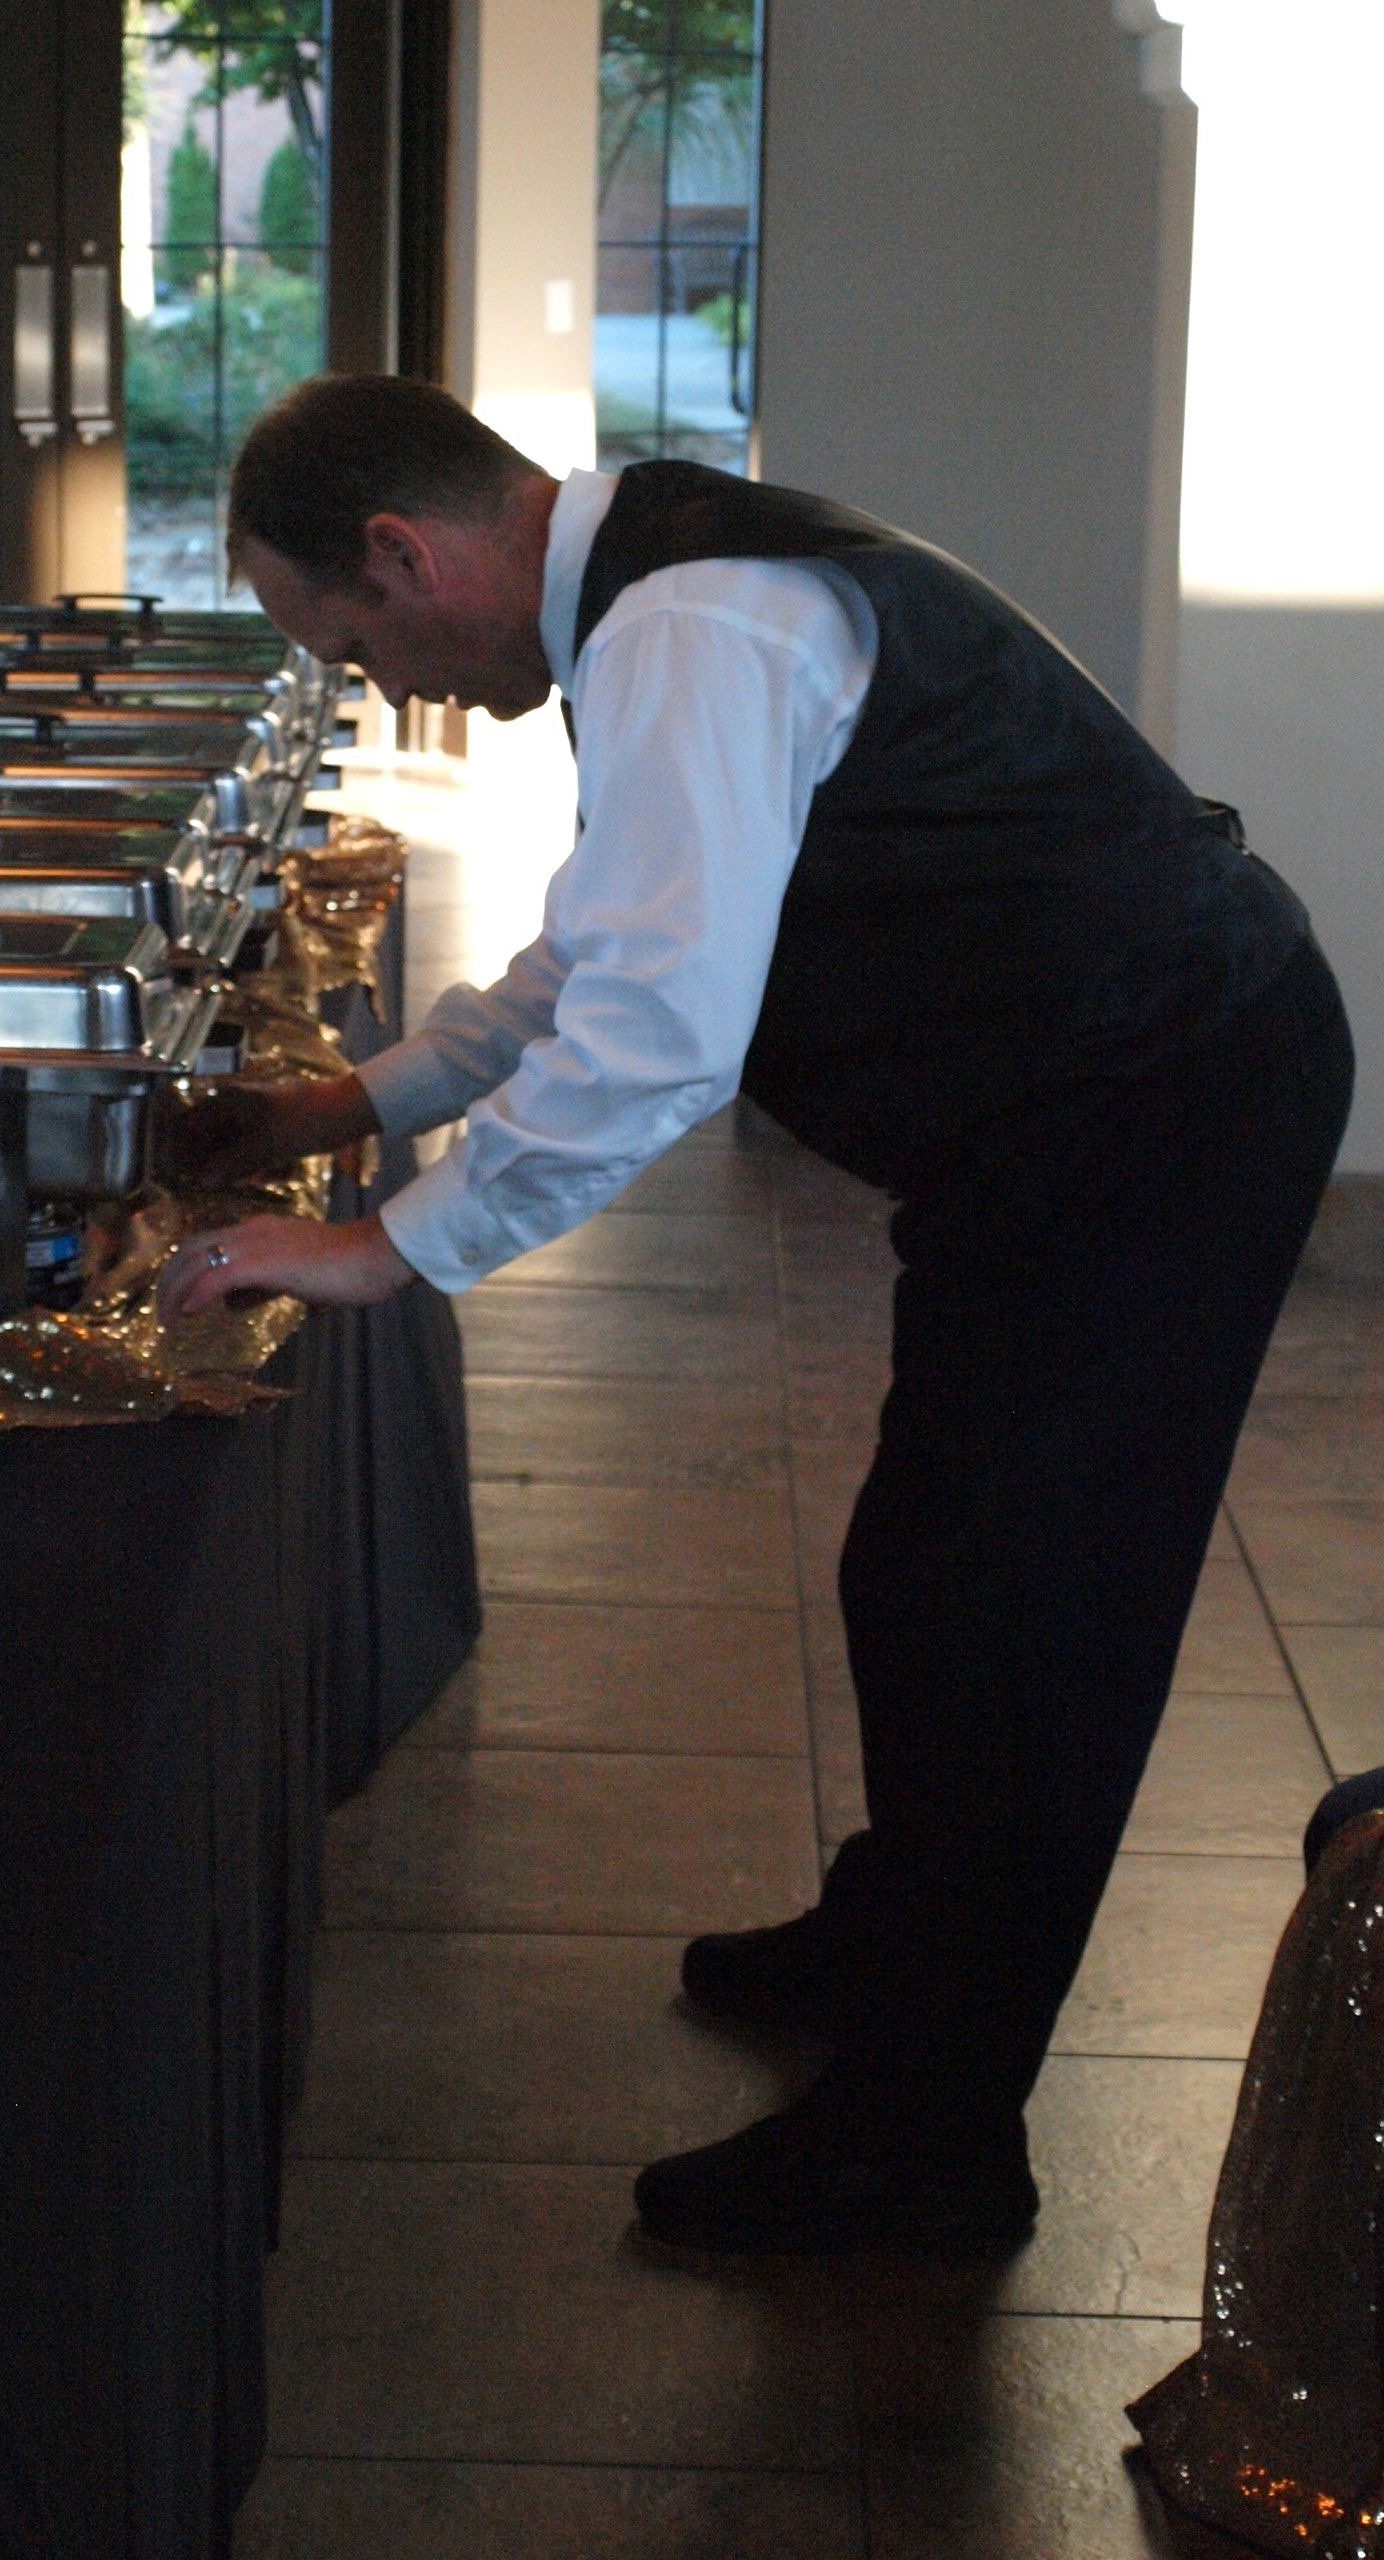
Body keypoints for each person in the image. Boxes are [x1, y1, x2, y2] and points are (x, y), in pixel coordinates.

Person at [155, 373, 1353, 2259]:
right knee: (929, 1562)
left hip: (1166, 1095)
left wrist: (390, 1248)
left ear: (404, 549)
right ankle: (895, 1944)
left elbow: (659, 1035)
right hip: (1080, 1106)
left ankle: (931, 2148)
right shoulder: (665, 594)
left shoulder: (691, 620)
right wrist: (363, 1102)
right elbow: (608, 939)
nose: (392, 681)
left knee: (1030, 1611)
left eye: (360, 634)